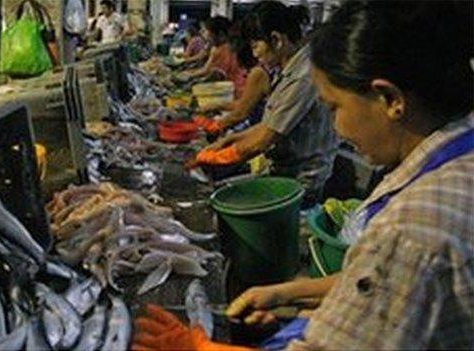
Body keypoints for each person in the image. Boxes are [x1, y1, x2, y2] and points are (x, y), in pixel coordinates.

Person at [134, 1, 474, 350]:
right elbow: (397, 283)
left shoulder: (410, 233)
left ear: (390, 98)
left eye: (334, 108)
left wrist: (201, 348)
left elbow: (402, 262)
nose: (337, 130)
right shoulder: (461, 157)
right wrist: (289, 292)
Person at [191, 2, 337, 208]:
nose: (254, 54)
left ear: (276, 40)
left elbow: (265, 139)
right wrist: (232, 138)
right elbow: (271, 124)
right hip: (283, 170)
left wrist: (215, 157)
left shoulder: (303, 76)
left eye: (255, 46)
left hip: (301, 181)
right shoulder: (287, 70)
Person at [194, 24, 277, 135]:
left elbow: (241, 112)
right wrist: (215, 106)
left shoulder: (258, 73)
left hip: (256, 126)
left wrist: (214, 126)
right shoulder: (259, 69)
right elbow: (245, 103)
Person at [182, 16, 247, 98]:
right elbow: (207, 68)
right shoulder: (217, 47)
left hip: (235, 91)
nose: (206, 36)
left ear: (220, 34)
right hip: (231, 89)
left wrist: (190, 78)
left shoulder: (224, 49)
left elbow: (214, 74)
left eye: (208, 32)